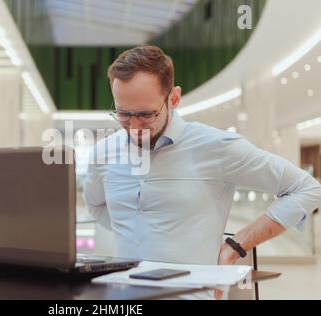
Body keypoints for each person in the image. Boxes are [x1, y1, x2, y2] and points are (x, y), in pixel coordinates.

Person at [83, 45, 321, 299]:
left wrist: (235, 246)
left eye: (145, 114)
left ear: (173, 99)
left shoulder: (217, 147)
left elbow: (307, 189)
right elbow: (96, 205)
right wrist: (136, 225)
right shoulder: (104, 153)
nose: (133, 126)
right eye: (123, 114)